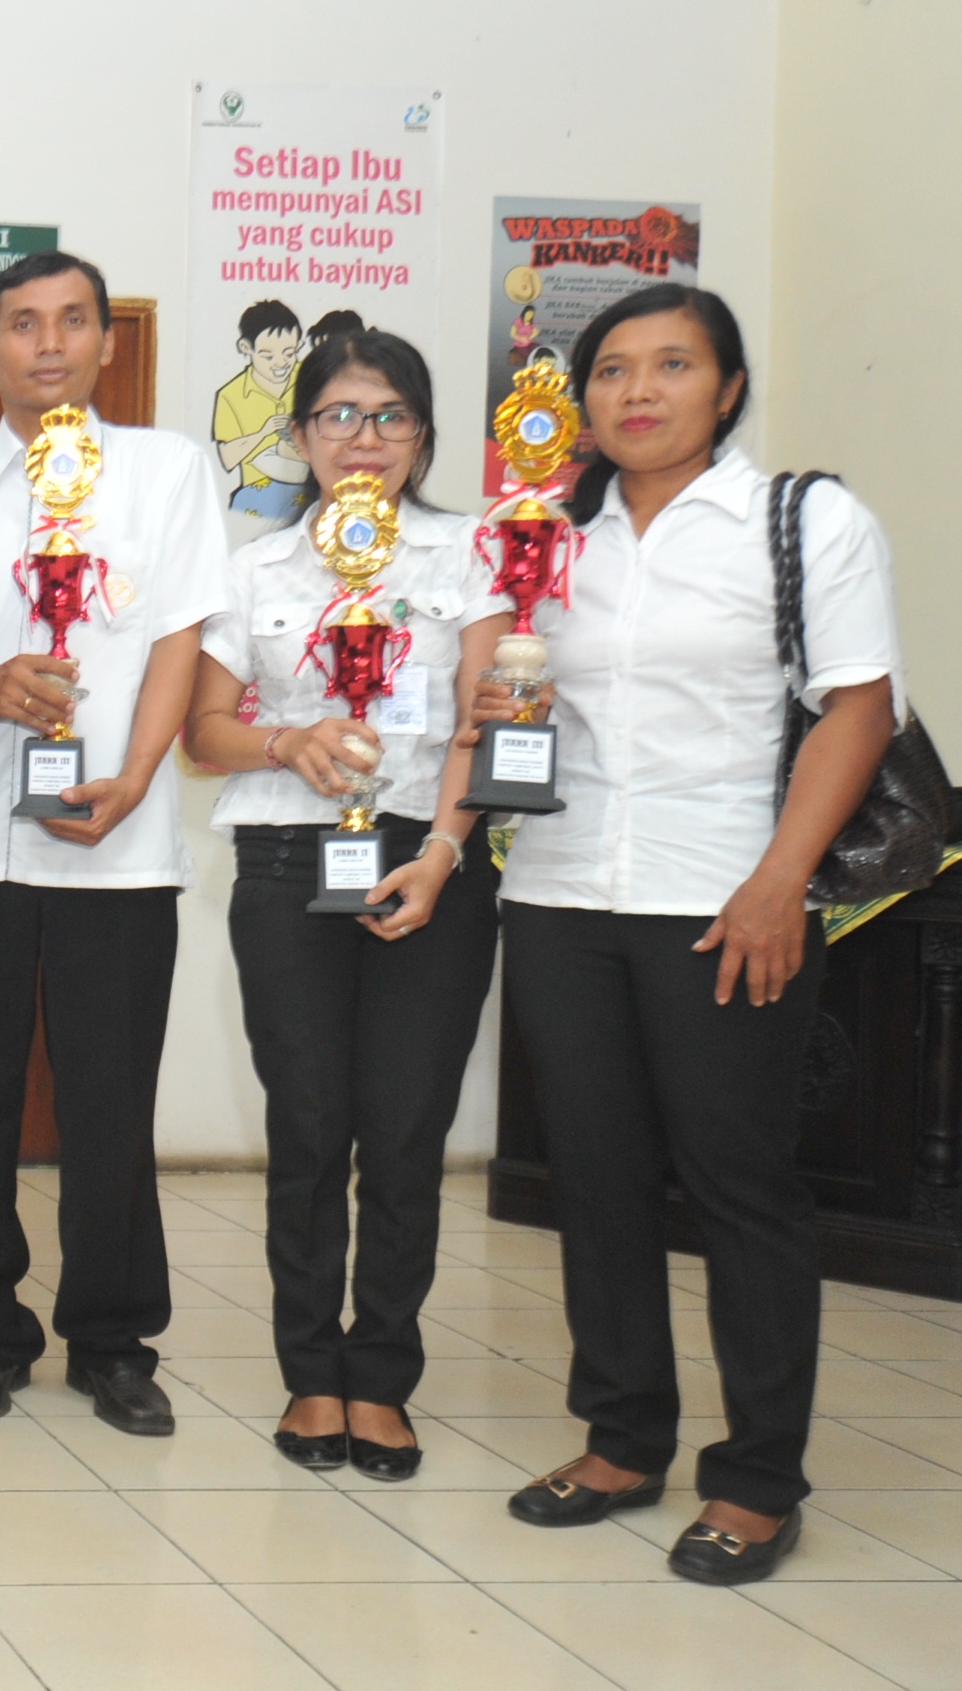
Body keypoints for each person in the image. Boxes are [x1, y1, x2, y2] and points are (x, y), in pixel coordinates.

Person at [495, 284, 900, 1584]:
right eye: (610, 367)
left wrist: (780, 880)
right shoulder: (545, 534)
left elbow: (854, 706)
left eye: (670, 364)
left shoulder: (799, 519)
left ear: (724, 387)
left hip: (724, 898)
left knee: (738, 1185)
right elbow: (502, 699)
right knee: (595, 1179)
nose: (635, 390)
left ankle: (756, 1476)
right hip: (559, 892)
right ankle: (619, 1438)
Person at [0, 250, 229, 1436]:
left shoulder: (165, 470)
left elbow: (179, 636)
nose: (48, 344)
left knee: (107, 1103)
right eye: (22, 325)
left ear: (105, 344)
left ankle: (111, 1337)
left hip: (116, 847)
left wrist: (140, 774)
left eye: (72, 322)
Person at [181, 328, 501, 1482]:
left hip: (430, 859)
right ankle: (311, 1371)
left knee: (405, 1128)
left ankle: (383, 1377)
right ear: (300, 431)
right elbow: (200, 733)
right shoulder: (253, 568)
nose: (361, 440)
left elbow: (486, 711)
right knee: (309, 1124)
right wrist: (288, 736)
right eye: (336, 416)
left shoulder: (468, 555)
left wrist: (448, 849)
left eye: (387, 417)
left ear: (420, 435)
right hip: (283, 864)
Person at [212, 299, 311, 521]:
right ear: (246, 348)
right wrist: (263, 433)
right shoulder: (231, 394)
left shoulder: (311, 379)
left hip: (311, 494)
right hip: (258, 497)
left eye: (289, 353)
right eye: (268, 356)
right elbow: (227, 458)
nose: (281, 363)